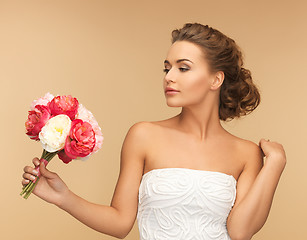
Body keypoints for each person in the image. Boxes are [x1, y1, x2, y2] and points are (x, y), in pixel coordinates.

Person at [21, 22, 287, 240]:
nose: (169, 76)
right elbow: (120, 222)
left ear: (216, 79)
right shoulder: (143, 135)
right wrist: (62, 196)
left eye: (183, 68)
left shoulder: (247, 153)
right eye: (167, 68)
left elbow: (241, 232)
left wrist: (274, 164)